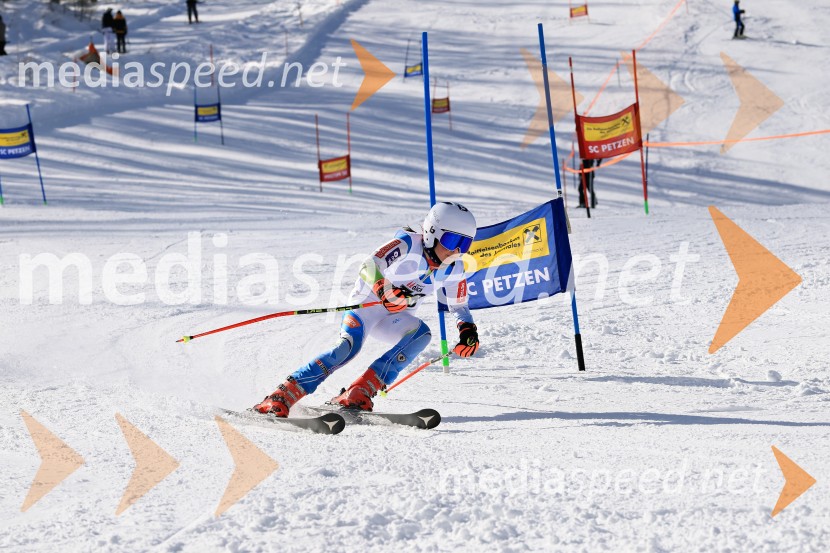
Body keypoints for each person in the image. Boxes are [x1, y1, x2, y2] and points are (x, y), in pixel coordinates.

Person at [253, 202, 481, 417]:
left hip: (394, 319)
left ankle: (358, 392)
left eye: (465, 244)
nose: (456, 251)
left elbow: (459, 305)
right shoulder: (408, 243)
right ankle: (282, 394)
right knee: (346, 349)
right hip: (366, 307)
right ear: (432, 232)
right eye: (451, 241)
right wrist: (384, 289)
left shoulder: (455, 269)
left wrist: (467, 330)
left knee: (421, 335)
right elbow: (370, 264)